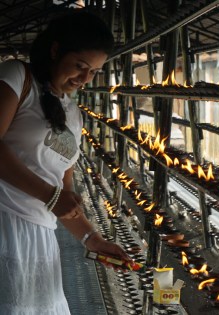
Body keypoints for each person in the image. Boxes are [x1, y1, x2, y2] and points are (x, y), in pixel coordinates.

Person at [0, 11, 129, 314]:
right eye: (80, 66)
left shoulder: (74, 115)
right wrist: (50, 195)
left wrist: (92, 239)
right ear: (56, 50)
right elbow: (54, 194)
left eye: (94, 72)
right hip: (4, 224)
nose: (84, 79)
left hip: (40, 238)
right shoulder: (18, 77)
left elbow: (63, 191)